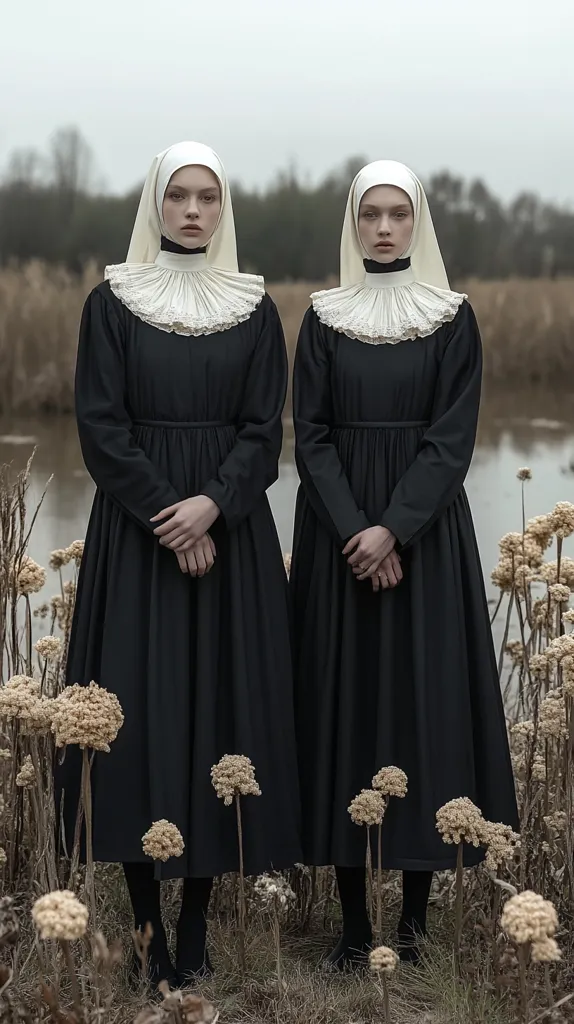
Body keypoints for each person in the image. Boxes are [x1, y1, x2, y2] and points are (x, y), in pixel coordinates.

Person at [57, 141, 301, 987]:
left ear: (222, 208)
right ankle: (147, 931)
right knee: (137, 720)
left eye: (207, 198)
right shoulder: (111, 304)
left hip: (227, 535)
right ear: (155, 205)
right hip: (139, 534)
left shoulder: (255, 308)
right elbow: (101, 426)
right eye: (178, 196)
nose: (193, 211)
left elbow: (262, 433)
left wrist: (211, 507)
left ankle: (194, 930)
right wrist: (172, 514)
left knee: (217, 717)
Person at [290, 160, 518, 967]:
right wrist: (359, 530)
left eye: (398, 214)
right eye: (370, 215)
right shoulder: (322, 319)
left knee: (421, 712)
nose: (384, 227)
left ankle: (416, 928)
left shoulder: (453, 319)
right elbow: (309, 437)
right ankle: (353, 930)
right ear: (352, 225)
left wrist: (395, 529)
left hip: (423, 541)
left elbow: (451, 440)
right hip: (338, 539)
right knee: (343, 709)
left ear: (418, 222)